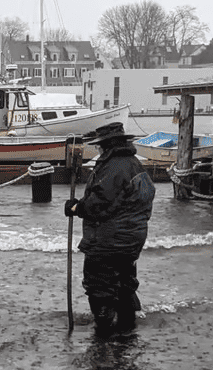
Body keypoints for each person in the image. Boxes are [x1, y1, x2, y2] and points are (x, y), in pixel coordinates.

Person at [63, 122, 156, 337]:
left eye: (100, 146)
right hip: (131, 240)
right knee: (125, 284)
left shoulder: (113, 167)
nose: (98, 150)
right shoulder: (133, 164)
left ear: (107, 146)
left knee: (99, 285)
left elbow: (99, 203)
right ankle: (127, 332)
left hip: (108, 241)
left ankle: (103, 334)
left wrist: (77, 207)